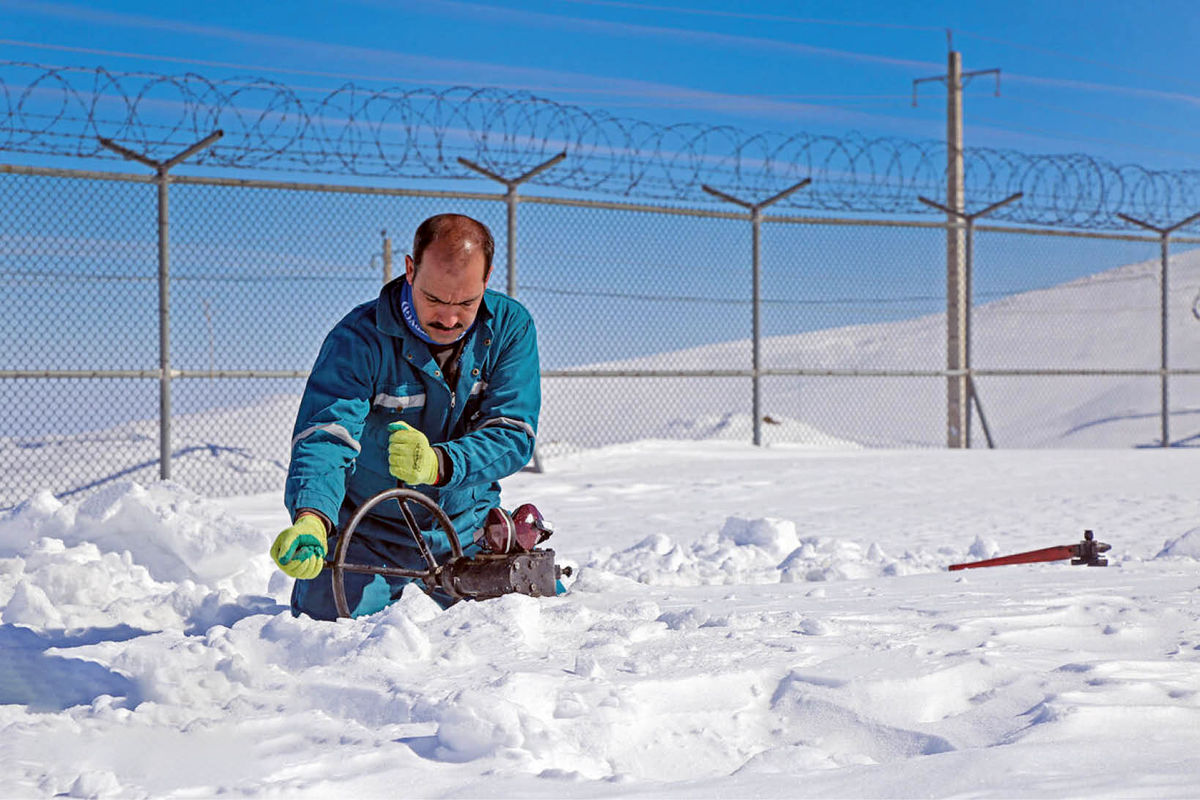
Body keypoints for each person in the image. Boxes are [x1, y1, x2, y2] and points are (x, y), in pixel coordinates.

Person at [269, 213, 540, 619]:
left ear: (486, 280)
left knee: (526, 627)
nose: (449, 318)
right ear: (411, 270)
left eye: (466, 302)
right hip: (372, 532)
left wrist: (440, 463)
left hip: (465, 528)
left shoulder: (508, 329)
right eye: (434, 299)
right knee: (324, 629)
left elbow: (512, 432)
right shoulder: (359, 339)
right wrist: (312, 518)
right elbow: (327, 435)